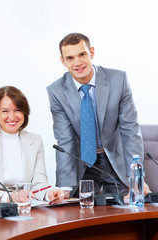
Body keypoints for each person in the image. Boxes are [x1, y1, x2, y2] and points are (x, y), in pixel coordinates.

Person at [47, 33, 151, 197]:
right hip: (84, 165)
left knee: (126, 213)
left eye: (82, 54)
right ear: (63, 61)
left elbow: (130, 130)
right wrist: (65, 187)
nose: (77, 63)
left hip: (116, 162)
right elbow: (65, 140)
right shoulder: (56, 91)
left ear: (92, 52)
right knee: (79, 215)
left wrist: (136, 178)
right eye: (70, 58)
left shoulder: (118, 79)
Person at [0, 86, 65, 204]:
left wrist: (48, 194)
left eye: (17, 110)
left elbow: (39, 184)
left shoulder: (35, 140)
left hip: (27, 206)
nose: (12, 117)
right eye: (5, 111)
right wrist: (13, 197)